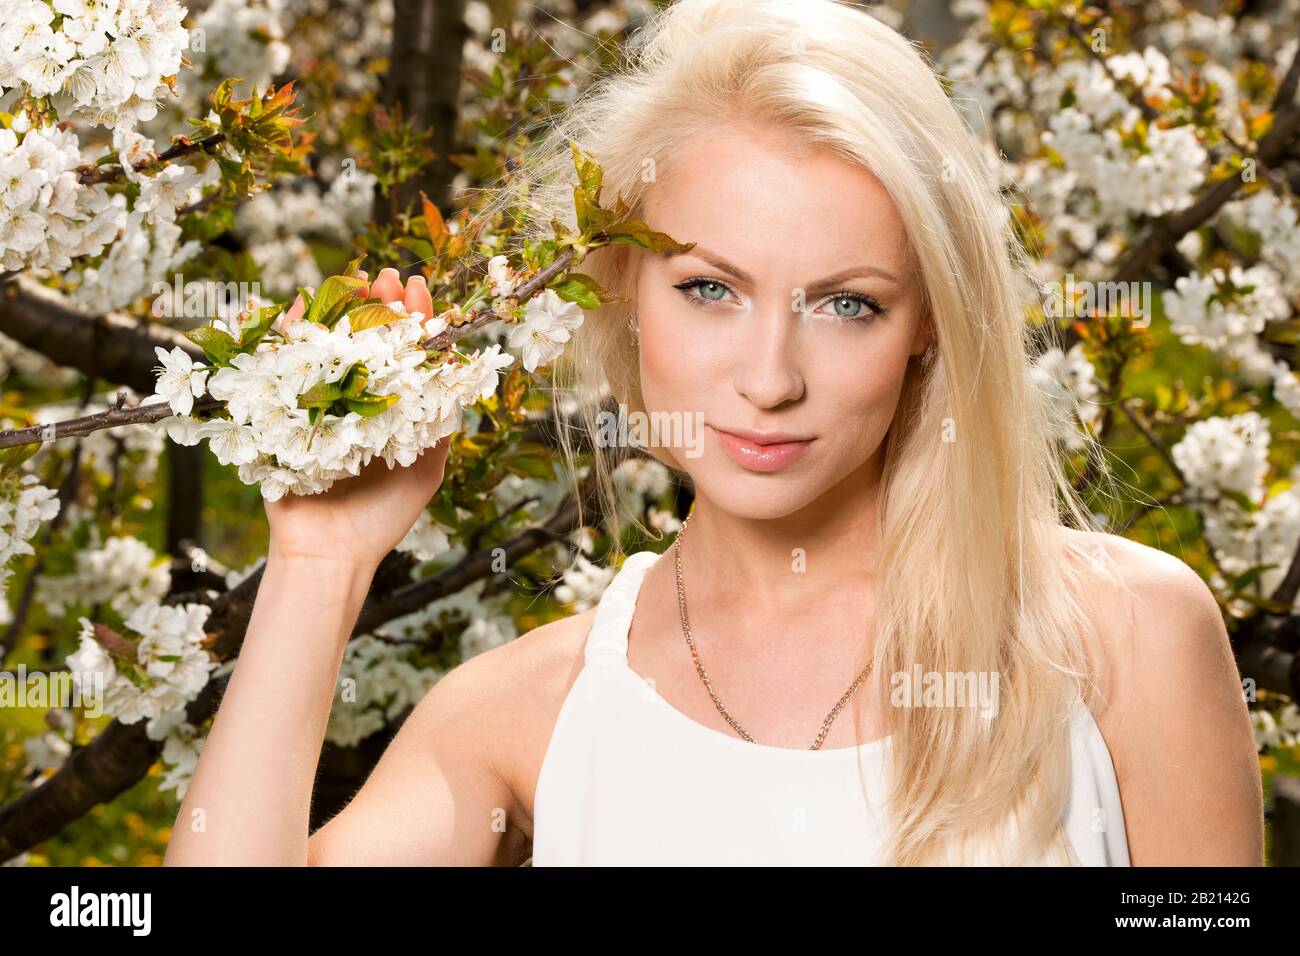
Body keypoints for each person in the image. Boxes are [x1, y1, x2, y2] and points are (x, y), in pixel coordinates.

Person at [163, 0, 1263, 866]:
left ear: (928, 323)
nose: (770, 379)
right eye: (709, 289)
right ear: (621, 292)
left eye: (847, 304)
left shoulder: (1122, 636)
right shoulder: (529, 713)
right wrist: (318, 563)